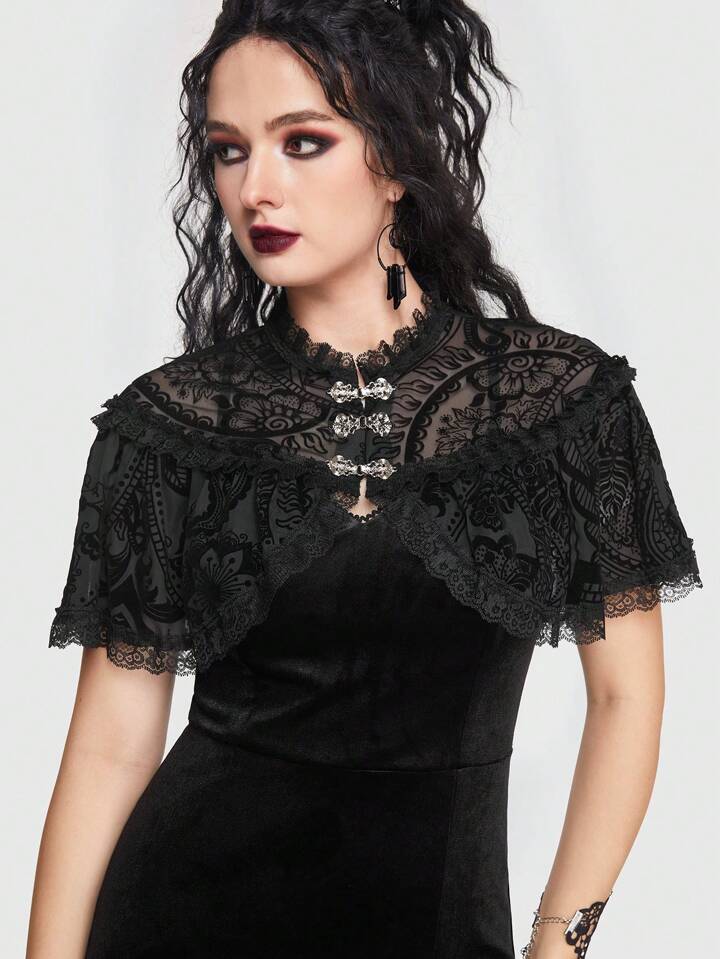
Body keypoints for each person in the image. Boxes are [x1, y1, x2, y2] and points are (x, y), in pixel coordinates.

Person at [26, 2, 703, 958]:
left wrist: (561, 940)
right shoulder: (170, 425)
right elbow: (108, 748)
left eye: (302, 142)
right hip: (177, 919)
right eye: (228, 152)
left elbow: (627, 699)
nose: (257, 187)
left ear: (393, 158)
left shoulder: (562, 402)